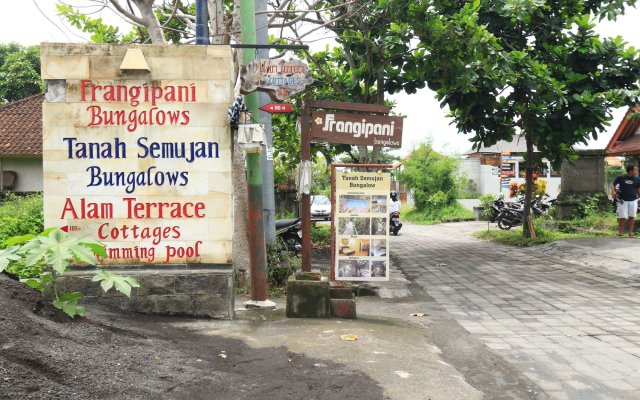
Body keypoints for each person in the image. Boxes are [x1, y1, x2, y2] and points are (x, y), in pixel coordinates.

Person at [612, 165, 640, 237]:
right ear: (630, 171)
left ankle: (630, 233)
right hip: (622, 200)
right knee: (622, 217)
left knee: (632, 216)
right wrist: (613, 192)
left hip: (633, 200)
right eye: (635, 170)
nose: (637, 171)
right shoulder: (621, 177)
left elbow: (638, 188)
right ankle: (621, 233)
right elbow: (613, 184)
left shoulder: (637, 178)